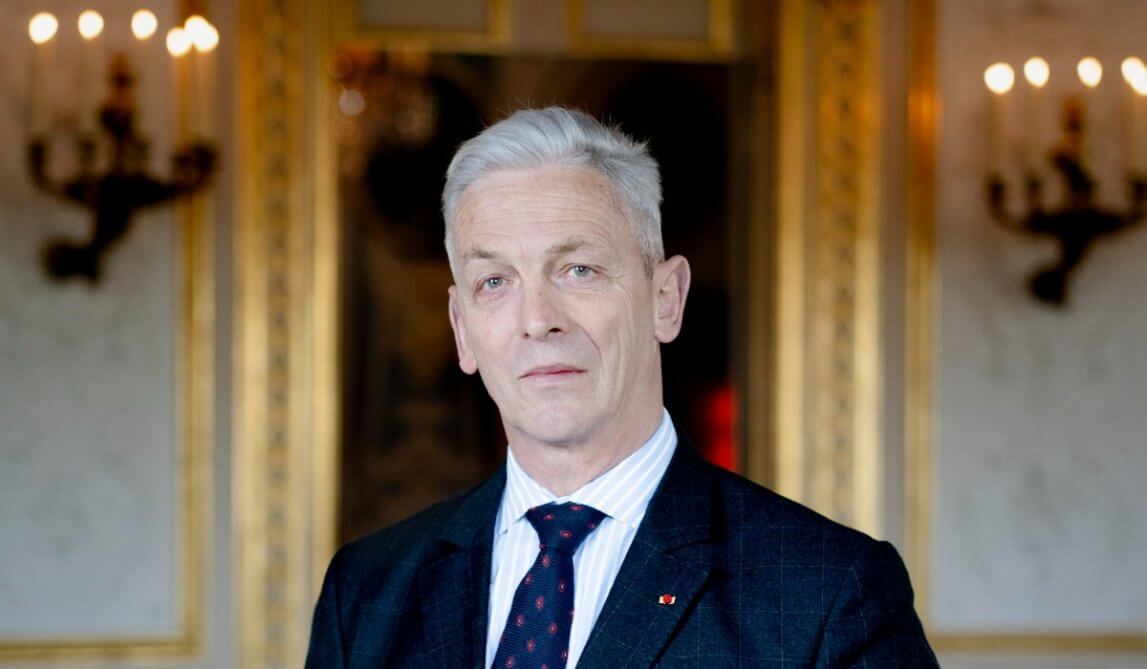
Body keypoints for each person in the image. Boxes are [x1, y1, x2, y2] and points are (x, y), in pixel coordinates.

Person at [306, 107, 938, 668]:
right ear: (462, 329)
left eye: (578, 270)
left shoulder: (828, 594)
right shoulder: (364, 594)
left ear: (666, 299)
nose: (537, 320)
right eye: (494, 282)